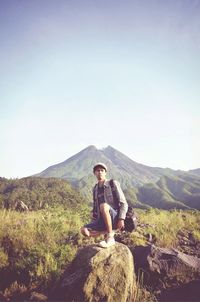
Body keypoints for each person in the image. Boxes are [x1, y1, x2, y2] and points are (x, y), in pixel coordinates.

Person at [80, 162, 128, 248]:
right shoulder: (95, 189)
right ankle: (107, 232)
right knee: (83, 230)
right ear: (94, 173)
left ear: (105, 172)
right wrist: (93, 219)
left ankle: (110, 237)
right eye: (98, 171)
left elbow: (124, 203)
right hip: (102, 219)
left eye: (102, 170)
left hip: (115, 216)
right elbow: (95, 207)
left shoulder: (112, 184)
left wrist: (121, 219)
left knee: (104, 206)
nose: (100, 172)